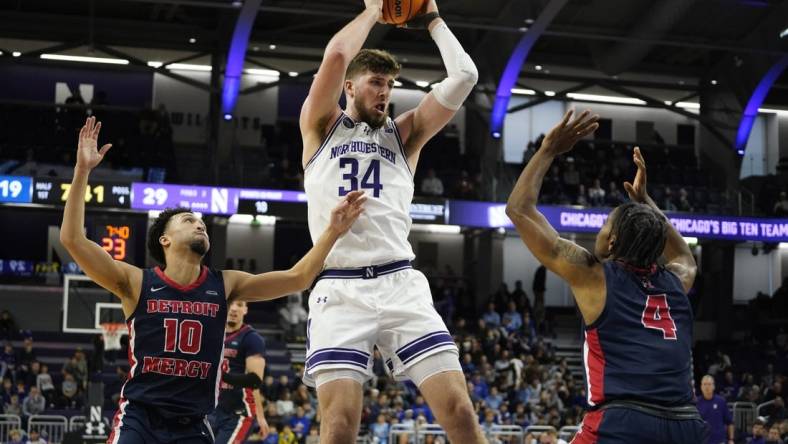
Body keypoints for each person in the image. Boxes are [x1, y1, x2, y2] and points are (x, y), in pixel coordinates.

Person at [60, 117, 366, 443]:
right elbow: (73, 240)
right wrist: (82, 172)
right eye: (189, 220)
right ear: (164, 240)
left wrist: (333, 231)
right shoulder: (135, 282)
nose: (200, 224)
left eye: (202, 222)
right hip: (141, 417)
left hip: (193, 422)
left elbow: (298, 277)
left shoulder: (225, 284)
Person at [298, 0, 483, 442]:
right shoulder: (322, 126)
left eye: (390, 84)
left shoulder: (404, 134)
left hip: (400, 282)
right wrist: (373, 12)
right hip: (340, 289)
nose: (385, 92)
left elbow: (465, 77)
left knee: (458, 411)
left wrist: (433, 18)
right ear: (349, 87)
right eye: (376, 83)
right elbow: (338, 55)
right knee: (340, 425)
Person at [505, 110, 707, 443]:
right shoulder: (678, 280)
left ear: (612, 242)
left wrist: (547, 150)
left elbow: (519, 210)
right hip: (686, 424)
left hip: (623, 422)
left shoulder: (594, 276)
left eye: (604, 225)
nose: (600, 230)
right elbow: (683, 254)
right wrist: (646, 204)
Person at [210, 300, 269, 443]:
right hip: (212, 410)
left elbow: (254, 381)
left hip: (238, 414)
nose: (234, 309)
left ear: (246, 310)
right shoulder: (212, 333)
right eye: (231, 304)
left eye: (240, 305)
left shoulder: (252, 338)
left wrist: (260, 416)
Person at [697, 375, 734, 444]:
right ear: (701, 387)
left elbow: (730, 422)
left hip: (719, 441)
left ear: (714, 386)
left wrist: (731, 439)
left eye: (709, 384)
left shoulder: (721, 401)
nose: (707, 387)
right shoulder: (696, 403)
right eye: (704, 384)